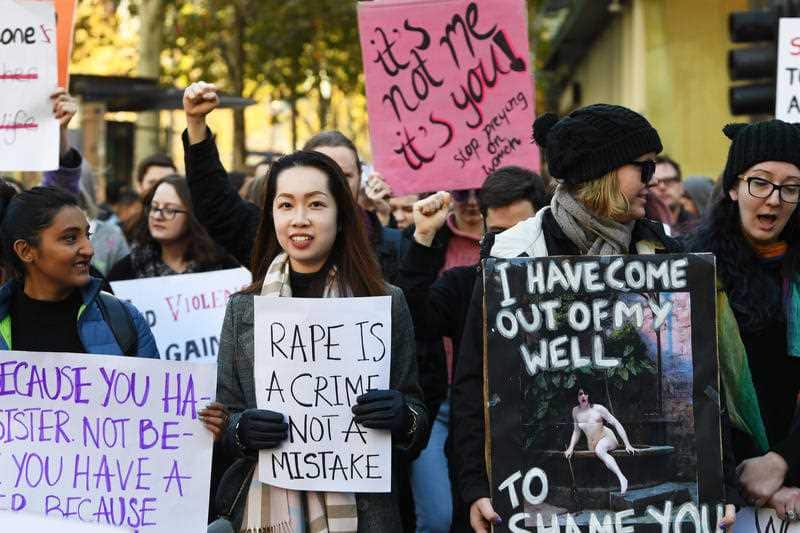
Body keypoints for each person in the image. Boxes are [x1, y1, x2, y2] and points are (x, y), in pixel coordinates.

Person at [449, 104, 740, 531]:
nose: (653, 178)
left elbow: (701, 377)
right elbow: (475, 380)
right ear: (603, 172)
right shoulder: (513, 254)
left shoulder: (663, 254)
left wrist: (720, 485)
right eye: (643, 167)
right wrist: (475, 484)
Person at [213, 149, 428, 532]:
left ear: (341, 216)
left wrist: (402, 417)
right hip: (265, 507)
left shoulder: (384, 302)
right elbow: (224, 416)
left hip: (365, 513)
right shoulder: (242, 309)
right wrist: (241, 431)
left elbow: (416, 411)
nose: (300, 219)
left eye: (315, 204)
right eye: (285, 205)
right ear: (272, 215)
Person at [397, 166, 546, 532]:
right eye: (498, 234)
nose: (511, 247)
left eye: (521, 233)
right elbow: (415, 317)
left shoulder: (565, 286)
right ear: (483, 232)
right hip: (466, 422)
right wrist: (423, 239)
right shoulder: (467, 284)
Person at [686, 120, 800, 521]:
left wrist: (786, 463)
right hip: (724, 499)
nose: (773, 199)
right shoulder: (693, 271)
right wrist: (745, 480)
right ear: (734, 187)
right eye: (761, 183)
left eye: (790, 187)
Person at [181, 81, 405, 282]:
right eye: (287, 205)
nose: (300, 220)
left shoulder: (394, 247)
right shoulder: (269, 242)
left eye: (343, 176)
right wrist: (196, 124)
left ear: (360, 177)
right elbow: (216, 205)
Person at [0, 184, 157, 358]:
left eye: (87, 235)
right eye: (70, 238)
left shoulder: (125, 320)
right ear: (25, 251)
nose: (89, 249)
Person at [108, 175, 238, 281]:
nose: (158, 216)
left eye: (170, 210)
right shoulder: (126, 270)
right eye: (154, 208)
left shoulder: (223, 267)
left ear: (192, 216)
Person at [564, 388, 636, 494]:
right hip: (592, 445)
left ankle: (622, 478)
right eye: (580, 394)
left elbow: (615, 423)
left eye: (586, 393)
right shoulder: (575, 411)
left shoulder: (598, 408)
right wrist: (570, 448)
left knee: (600, 449)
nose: (583, 396)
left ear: (589, 396)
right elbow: (576, 431)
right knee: (599, 450)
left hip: (607, 438)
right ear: (577, 397)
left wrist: (627, 444)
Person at [650, 155, 697, 234]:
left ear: (681, 187)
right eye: (655, 182)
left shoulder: (698, 229)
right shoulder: (639, 229)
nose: (662, 187)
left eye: (669, 181)